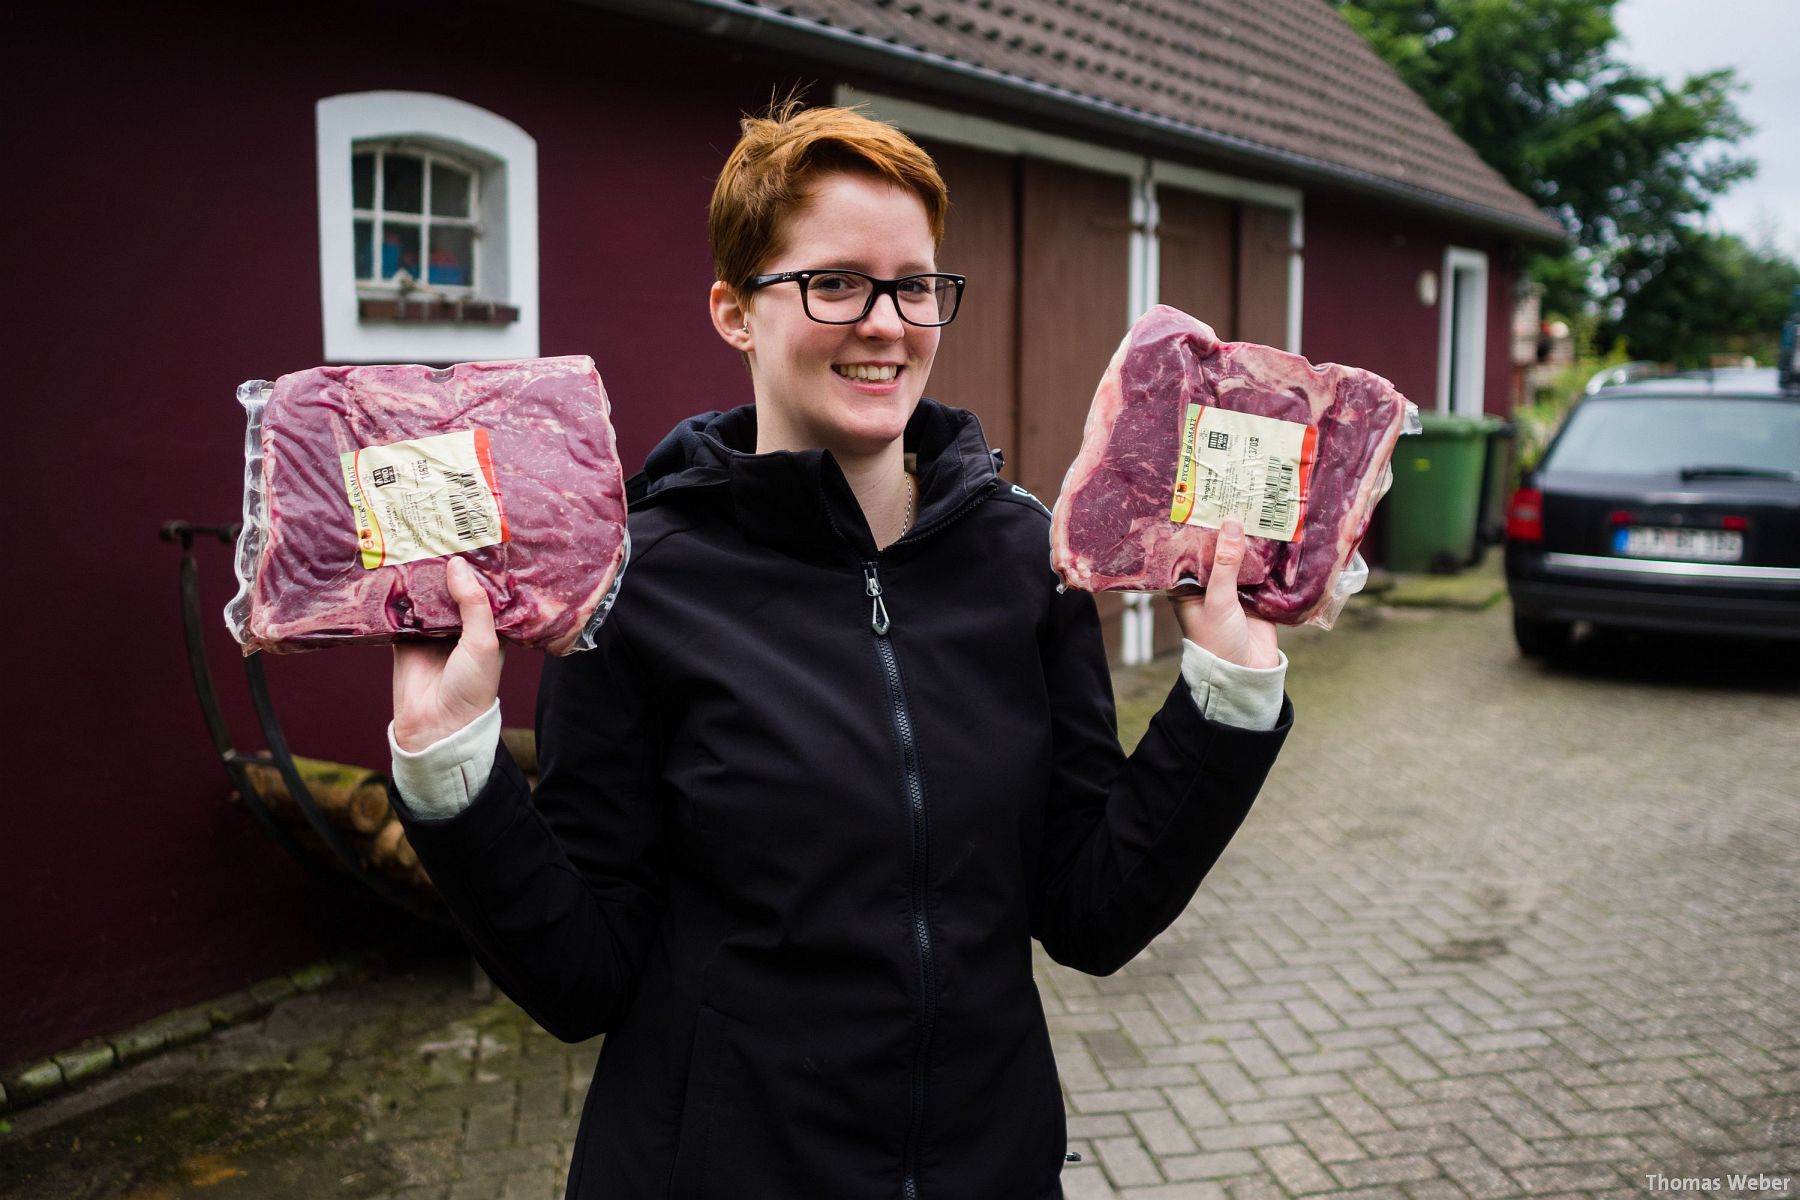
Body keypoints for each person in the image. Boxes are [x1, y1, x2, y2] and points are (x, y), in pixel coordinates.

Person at [388, 103, 1291, 1200]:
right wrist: (452, 768)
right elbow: (583, 978)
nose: (886, 323)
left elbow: (1091, 912)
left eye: (915, 284)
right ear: (734, 310)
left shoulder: (1024, 560)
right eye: (834, 283)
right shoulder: (636, 582)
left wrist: (1227, 698)